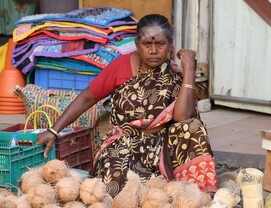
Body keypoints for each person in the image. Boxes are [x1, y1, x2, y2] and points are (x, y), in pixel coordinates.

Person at [36, 13, 218, 197]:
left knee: (194, 127)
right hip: (124, 145)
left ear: (170, 45)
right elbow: (87, 98)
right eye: (147, 44)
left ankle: (198, 196)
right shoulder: (120, 66)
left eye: (160, 44)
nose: (153, 50)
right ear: (137, 44)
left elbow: (183, 118)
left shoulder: (177, 73)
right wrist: (54, 130)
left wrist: (189, 69)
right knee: (113, 189)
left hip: (163, 147)